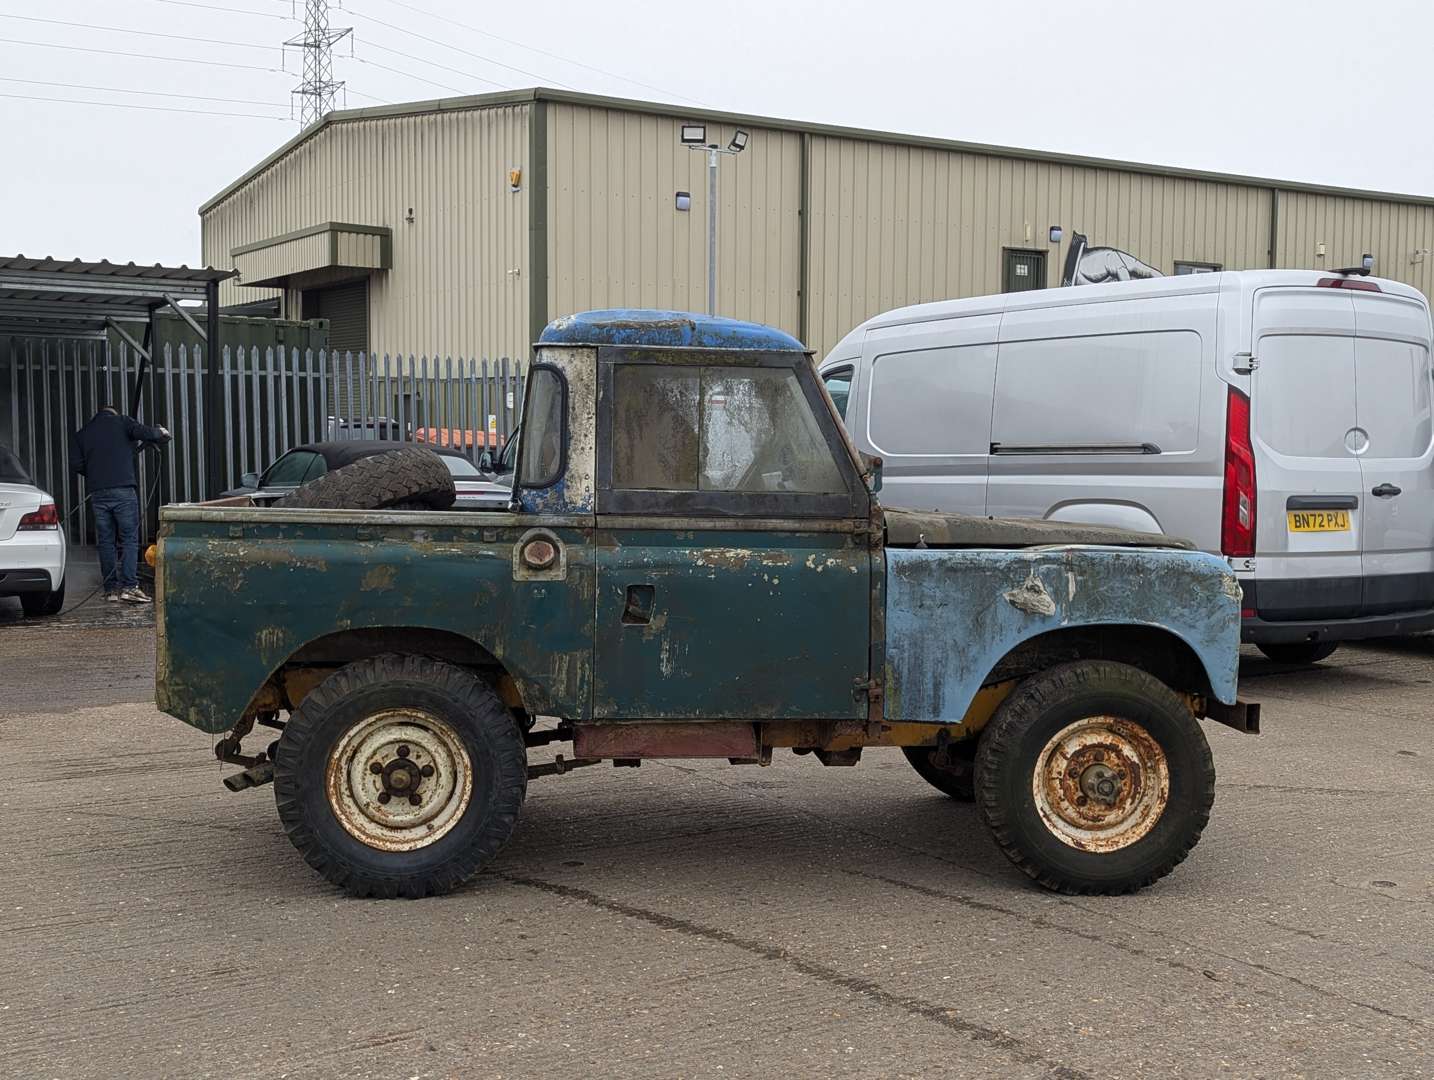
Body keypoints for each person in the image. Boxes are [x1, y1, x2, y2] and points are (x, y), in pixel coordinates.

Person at [70, 406, 170, 603]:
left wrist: (97, 473)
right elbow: (146, 432)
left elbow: (76, 464)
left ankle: (111, 591)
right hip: (123, 491)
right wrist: (161, 432)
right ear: (113, 413)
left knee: (106, 542)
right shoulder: (122, 422)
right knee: (129, 539)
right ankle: (130, 587)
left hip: (98, 493)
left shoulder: (82, 434)